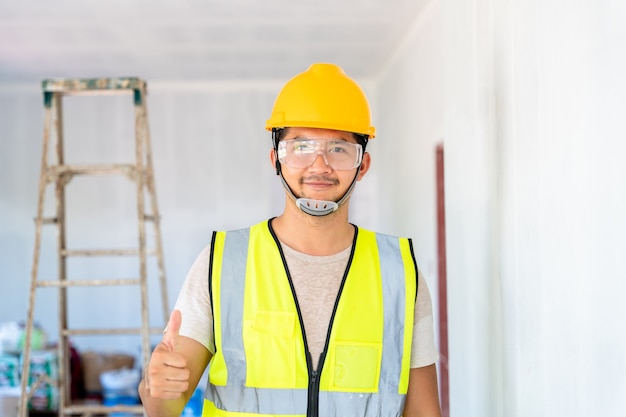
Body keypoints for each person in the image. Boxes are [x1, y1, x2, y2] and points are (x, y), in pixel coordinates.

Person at [138, 63, 442, 417]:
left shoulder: (399, 273)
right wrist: (154, 386)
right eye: (300, 146)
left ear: (363, 164)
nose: (319, 164)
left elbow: (424, 412)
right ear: (276, 160)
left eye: (339, 149)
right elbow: (164, 405)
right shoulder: (224, 263)